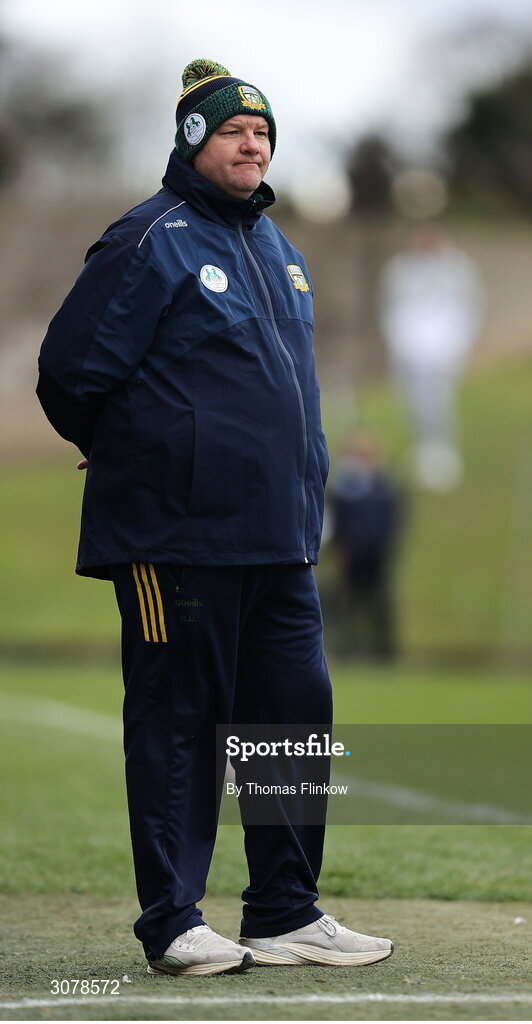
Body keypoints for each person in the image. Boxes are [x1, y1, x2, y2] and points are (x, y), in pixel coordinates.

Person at [37, 58, 393, 977]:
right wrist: (130, 450)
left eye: (264, 131)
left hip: (280, 537)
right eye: (235, 130)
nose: (254, 142)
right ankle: (172, 920)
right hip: (174, 535)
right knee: (179, 719)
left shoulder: (280, 250)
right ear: (194, 139)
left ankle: (283, 910)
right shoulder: (148, 238)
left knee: (293, 719)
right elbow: (70, 373)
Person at [379, 225, 484, 491]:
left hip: (444, 344)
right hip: (412, 344)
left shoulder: (459, 267)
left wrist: (460, 341)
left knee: (440, 398)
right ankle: (423, 447)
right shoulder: (401, 269)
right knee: (414, 399)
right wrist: (400, 342)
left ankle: (443, 450)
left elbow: (470, 305)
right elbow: (391, 307)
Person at [329, 433, 404, 659]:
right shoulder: (342, 488)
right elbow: (337, 521)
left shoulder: (384, 486)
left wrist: (381, 545)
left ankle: (383, 650)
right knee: (349, 603)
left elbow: (392, 521)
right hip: (351, 556)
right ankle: (349, 648)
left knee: (378, 603)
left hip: (377, 556)